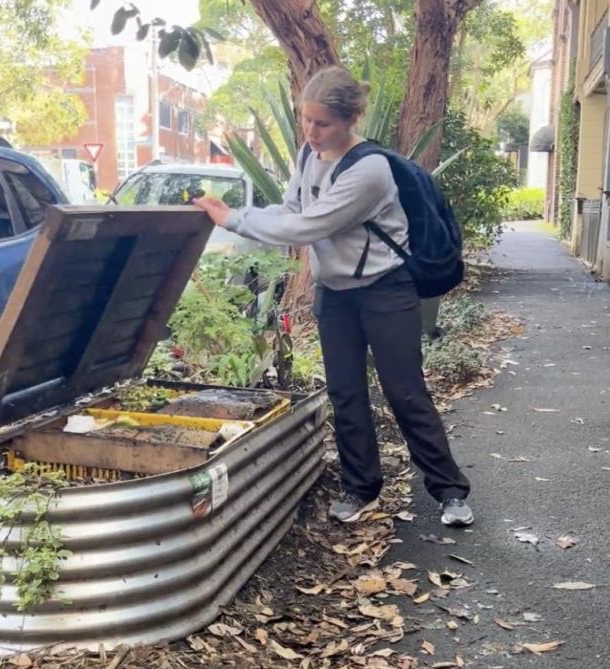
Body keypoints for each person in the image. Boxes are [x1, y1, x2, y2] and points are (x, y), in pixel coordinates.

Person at [194, 66, 473, 527]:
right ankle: (360, 486)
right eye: (306, 120)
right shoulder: (309, 154)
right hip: (336, 294)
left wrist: (233, 219)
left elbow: (310, 226)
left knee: (405, 393)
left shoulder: (370, 170)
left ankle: (450, 492)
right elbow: (291, 209)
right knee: (345, 393)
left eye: (322, 123)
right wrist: (246, 214)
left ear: (349, 120)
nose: (310, 131)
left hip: (386, 290)